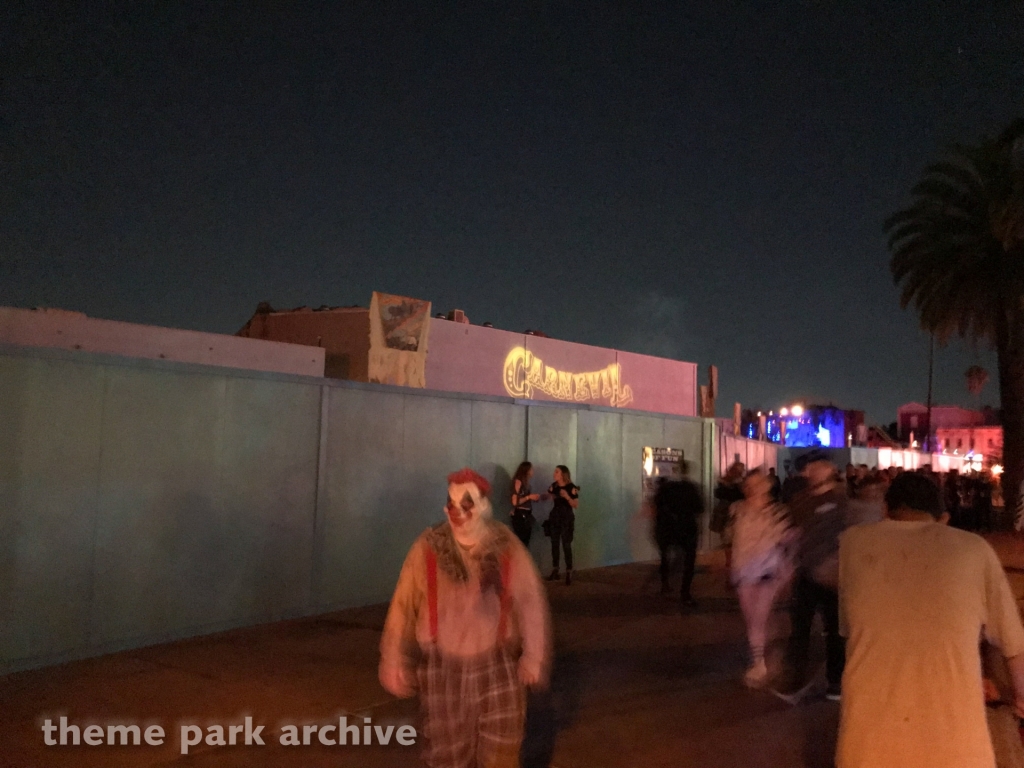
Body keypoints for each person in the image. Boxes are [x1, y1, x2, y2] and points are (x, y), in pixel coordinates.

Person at [836, 473, 1024, 768]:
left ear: (886, 510)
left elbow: (849, 627)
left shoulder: (852, 543)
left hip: (868, 745)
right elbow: (1015, 646)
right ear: (944, 518)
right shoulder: (974, 548)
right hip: (957, 746)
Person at [379, 468, 552, 768]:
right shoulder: (428, 547)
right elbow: (403, 605)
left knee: (501, 754)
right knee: (447, 756)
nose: (456, 511)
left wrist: (534, 654)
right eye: (451, 503)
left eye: (466, 503)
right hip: (443, 668)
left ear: (483, 505)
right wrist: (393, 657)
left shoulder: (506, 545)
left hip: (498, 666)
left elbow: (529, 600)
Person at [776, 450, 851, 701]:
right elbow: (793, 534)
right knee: (799, 631)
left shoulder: (843, 500)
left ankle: (835, 682)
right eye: (810, 468)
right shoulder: (800, 501)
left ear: (830, 469)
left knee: (834, 631)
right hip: (805, 574)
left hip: (834, 576)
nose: (813, 472)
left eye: (819, 467)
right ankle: (794, 681)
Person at [730, 469, 794, 687]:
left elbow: (789, 539)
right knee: (753, 619)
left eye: (757, 483)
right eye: (749, 484)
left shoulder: (777, 511)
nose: (752, 488)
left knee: (759, 617)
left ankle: (760, 663)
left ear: (767, 486)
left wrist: (789, 566)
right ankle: (764, 656)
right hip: (743, 571)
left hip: (769, 571)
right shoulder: (737, 509)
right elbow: (732, 538)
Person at [653, 461, 705, 608]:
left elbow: (658, 505)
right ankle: (685, 593)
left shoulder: (666, 487)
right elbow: (700, 508)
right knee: (689, 562)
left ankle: (665, 584)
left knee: (665, 557)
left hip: (668, 529)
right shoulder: (692, 488)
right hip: (687, 529)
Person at [546, 465, 579, 585]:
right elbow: (549, 495)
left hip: (566, 518)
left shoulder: (572, 487)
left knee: (566, 544)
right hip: (555, 517)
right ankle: (555, 569)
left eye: (557, 472)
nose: (554, 474)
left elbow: (575, 505)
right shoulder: (553, 486)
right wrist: (546, 496)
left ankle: (569, 570)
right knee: (554, 543)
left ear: (563, 474)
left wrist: (567, 497)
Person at [510, 461, 540, 547]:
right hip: (520, 516)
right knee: (521, 544)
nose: (532, 471)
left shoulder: (526, 484)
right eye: (531, 469)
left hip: (526, 514)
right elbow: (515, 502)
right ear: (526, 470)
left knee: (525, 542)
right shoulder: (518, 482)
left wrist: (532, 498)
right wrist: (529, 497)